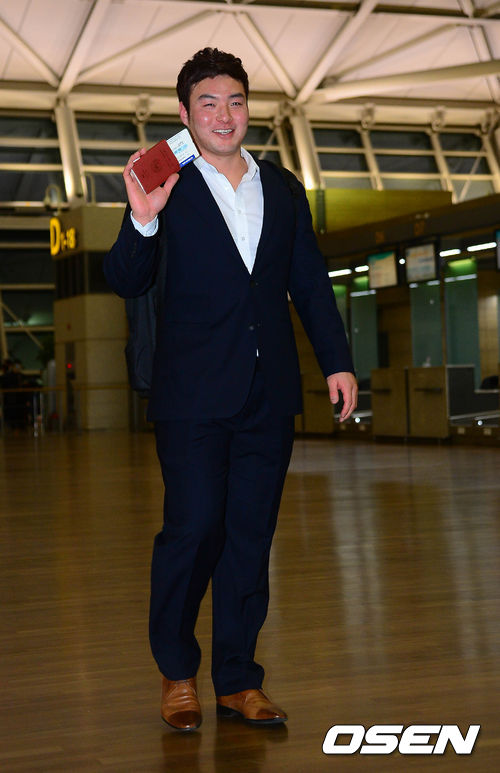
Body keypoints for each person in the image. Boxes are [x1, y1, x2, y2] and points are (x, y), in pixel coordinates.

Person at [104, 48, 357, 732]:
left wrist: (336, 362)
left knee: (250, 535)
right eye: (208, 103)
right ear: (185, 113)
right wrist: (143, 218)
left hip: (267, 391)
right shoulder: (167, 181)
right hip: (190, 394)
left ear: (249, 109)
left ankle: (239, 680)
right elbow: (124, 278)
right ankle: (177, 673)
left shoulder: (283, 187)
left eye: (236, 101)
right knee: (193, 528)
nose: (224, 115)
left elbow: (309, 282)